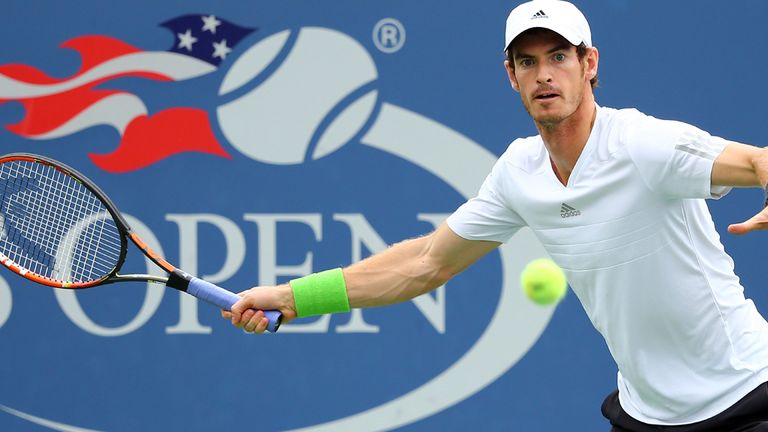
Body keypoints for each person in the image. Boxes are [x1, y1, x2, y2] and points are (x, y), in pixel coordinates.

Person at [222, 1, 768, 430]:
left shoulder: (643, 143)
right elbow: (426, 264)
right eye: (528, 62)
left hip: (746, 395)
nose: (544, 74)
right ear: (511, 75)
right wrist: (294, 298)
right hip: (646, 413)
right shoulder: (518, 172)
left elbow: (756, 161)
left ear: (589, 63)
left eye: (559, 56)